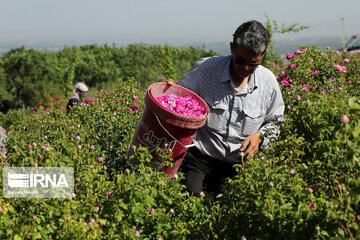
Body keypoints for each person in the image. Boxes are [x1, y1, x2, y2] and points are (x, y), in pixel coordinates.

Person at [169, 20, 285, 196]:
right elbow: (181, 98)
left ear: (263, 54)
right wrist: (172, 94)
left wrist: (260, 136)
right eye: (240, 61)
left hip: (241, 165)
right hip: (202, 158)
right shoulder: (207, 69)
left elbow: (276, 123)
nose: (245, 68)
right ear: (232, 48)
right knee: (190, 200)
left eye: (253, 64)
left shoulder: (268, 83)